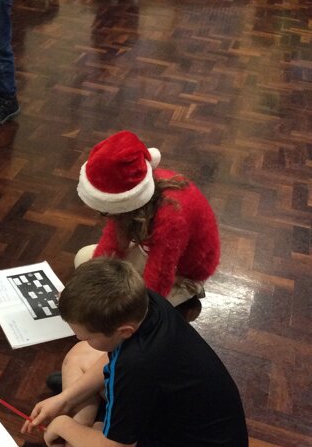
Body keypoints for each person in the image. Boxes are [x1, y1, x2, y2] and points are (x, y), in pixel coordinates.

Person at [18, 258, 248, 447]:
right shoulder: (146, 302)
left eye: (88, 335)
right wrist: (64, 400)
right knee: (80, 356)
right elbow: (112, 358)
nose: (81, 338)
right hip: (171, 416)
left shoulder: (137, 367)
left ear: (124, 331)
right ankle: (93, 425)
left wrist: (63, 425)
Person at [74, 130, 220, 315]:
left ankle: (187, 293)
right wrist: (88, 285)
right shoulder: (136, 189)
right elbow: (113, 239)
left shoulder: (171, 216)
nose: (105, 216)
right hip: (151, 250)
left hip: (184, 272)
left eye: (104, 211)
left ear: (123, 203)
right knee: (84, 261)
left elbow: (159, 277)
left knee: (122, 309)